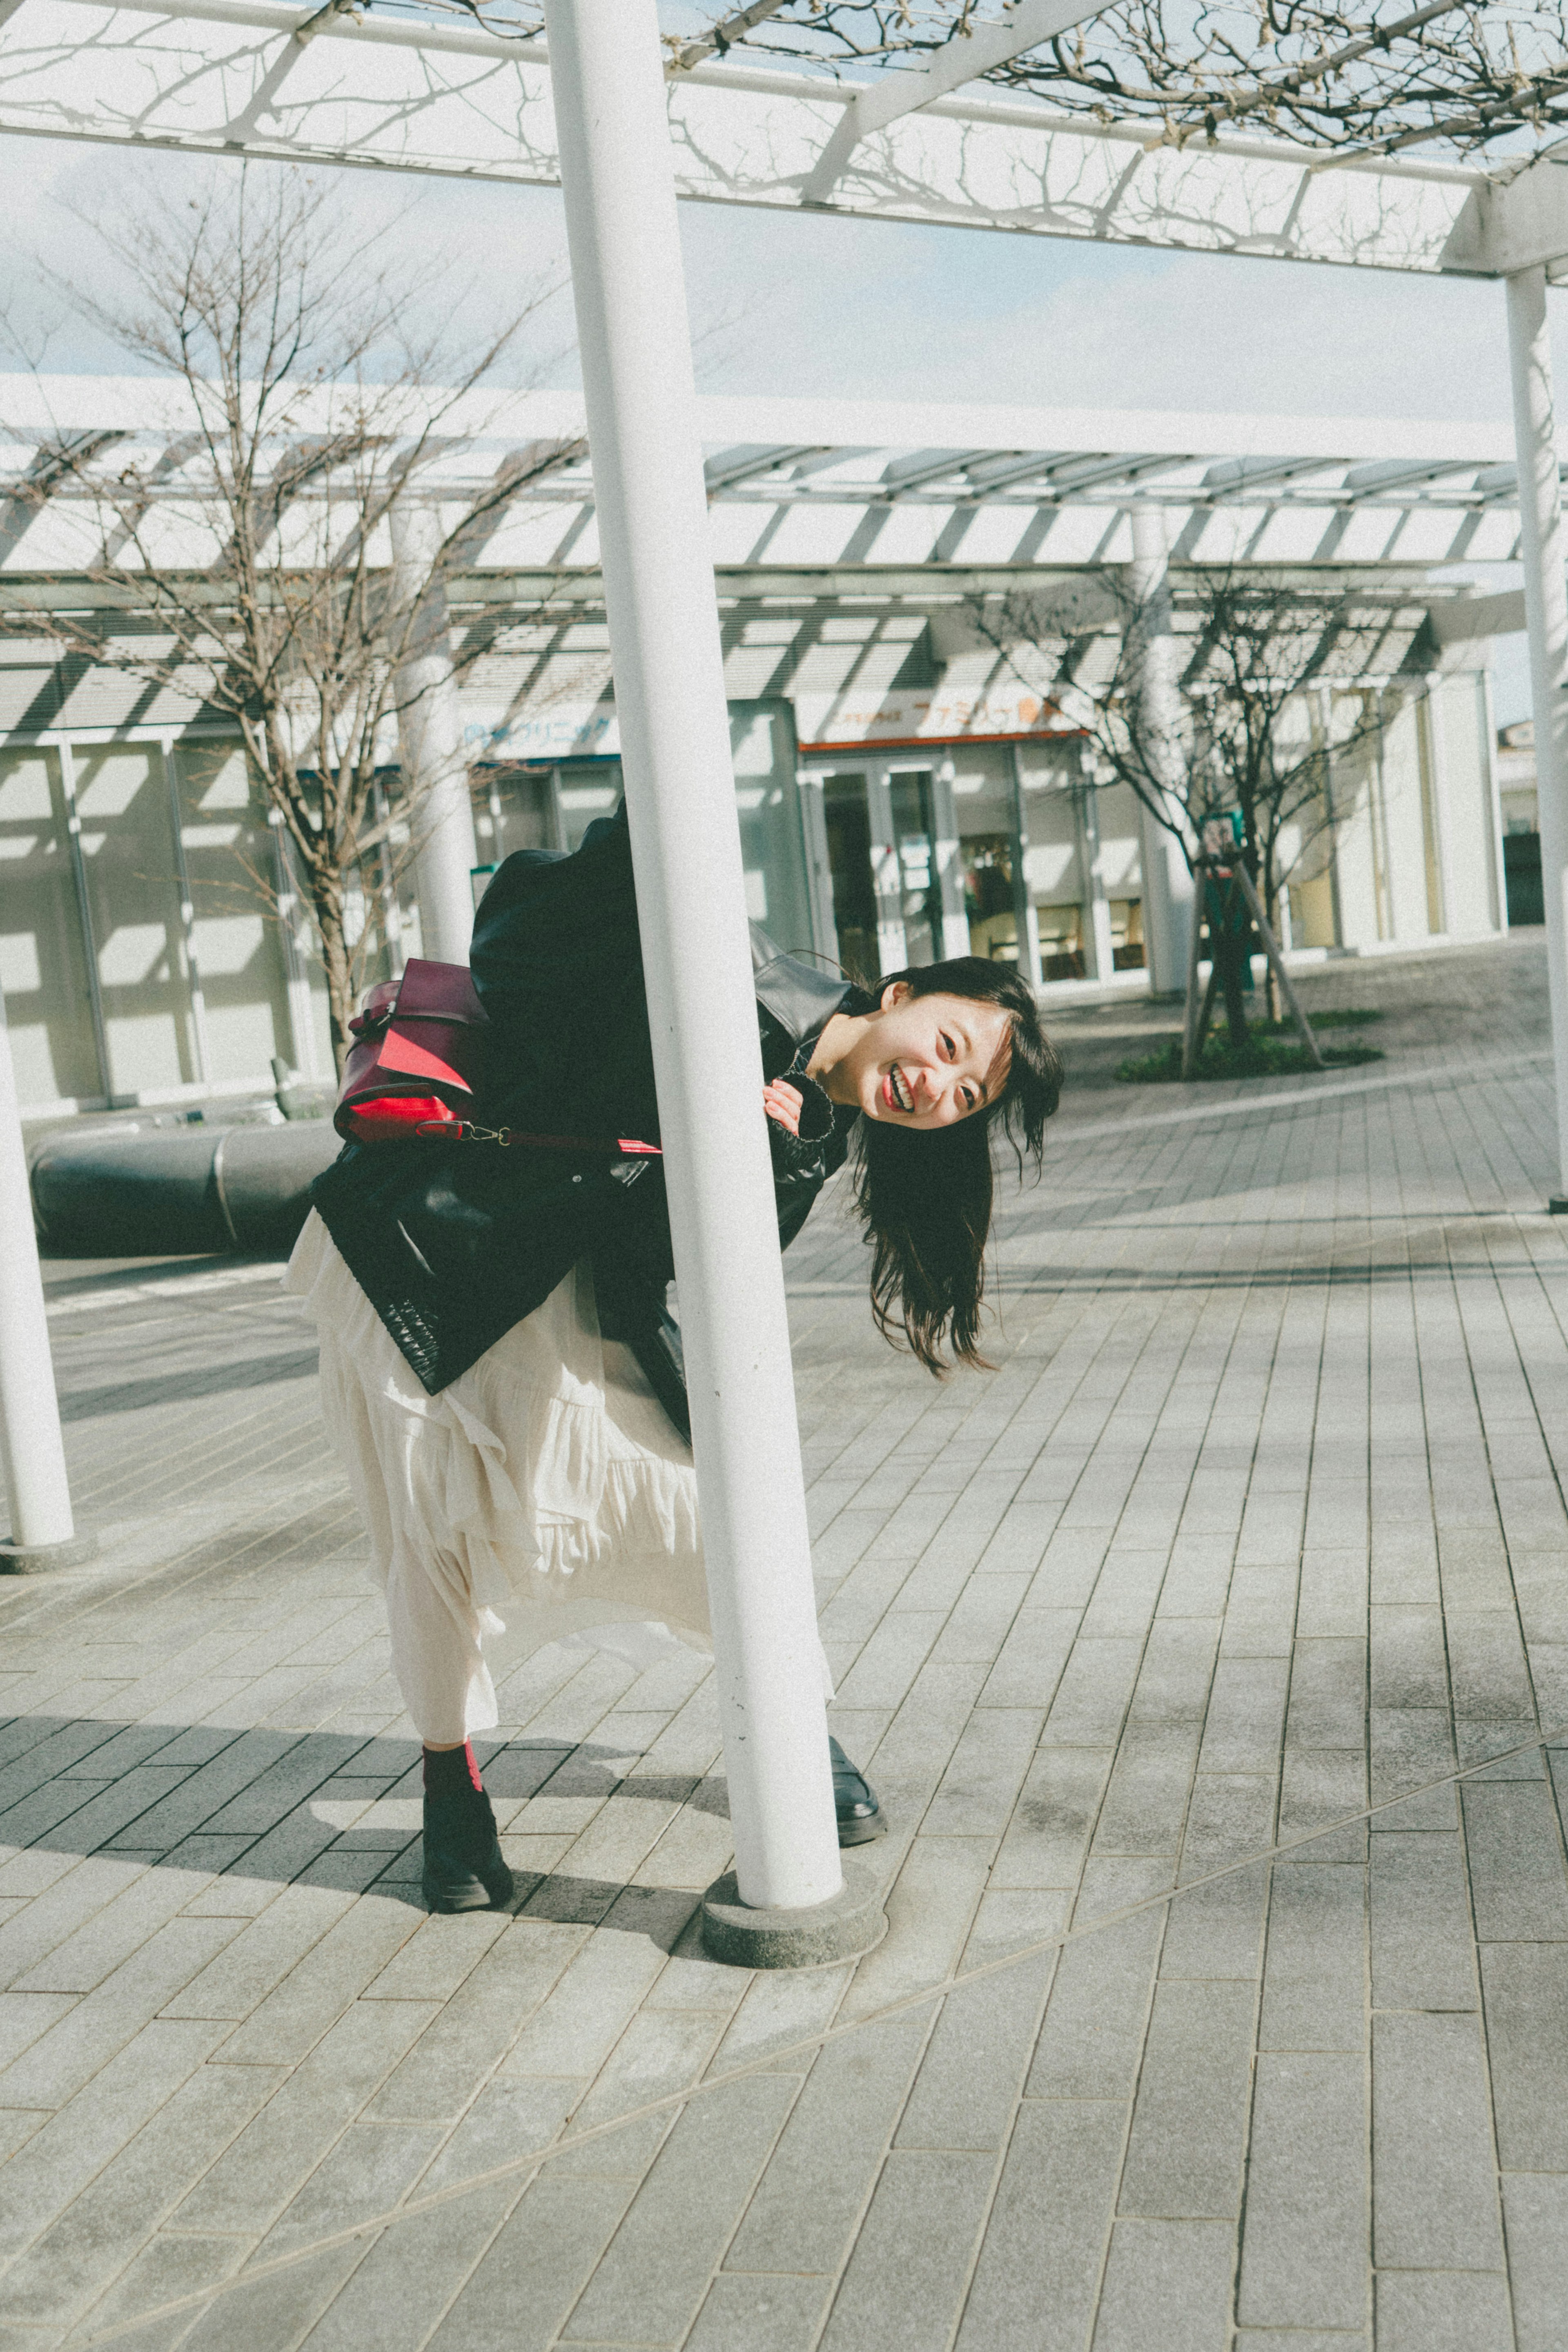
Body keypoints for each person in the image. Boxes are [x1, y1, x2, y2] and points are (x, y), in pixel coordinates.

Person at [285, 804, 1062, 1912]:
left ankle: (792, 1725)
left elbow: (655, 1248)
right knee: (428, 1533)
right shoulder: (725, 969)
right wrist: (644, 854)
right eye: (946, 1047)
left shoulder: (822, 1126)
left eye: (966, 1096)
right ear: (899, 996)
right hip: (420, 1241)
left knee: (708, 1517)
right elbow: (517, 935)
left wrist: (783, 1164)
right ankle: (450, 1793)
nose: (938, 1088)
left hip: (551, 1280)